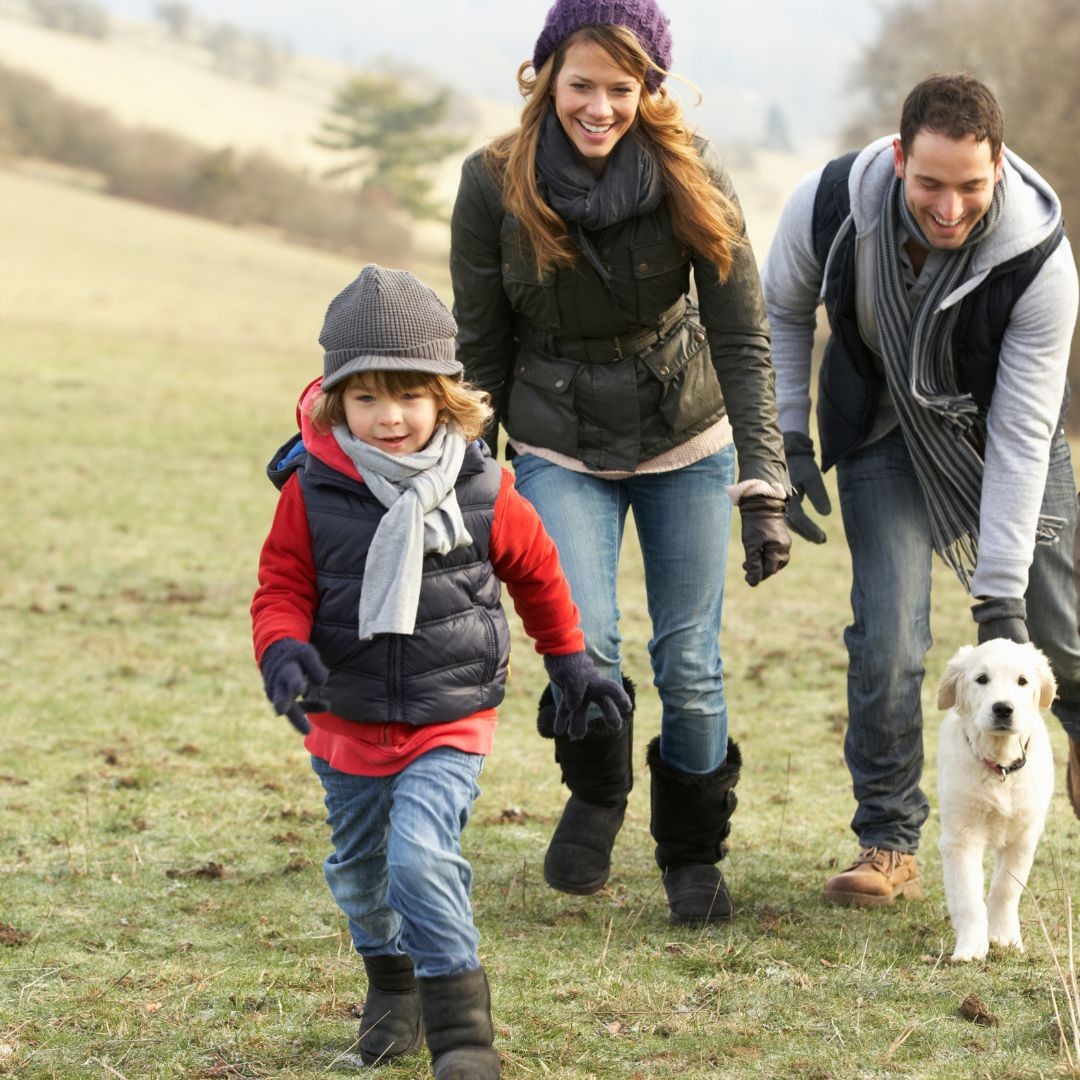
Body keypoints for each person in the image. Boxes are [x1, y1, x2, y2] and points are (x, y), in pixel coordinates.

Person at [449, 0, 792, 926]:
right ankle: (598, 795)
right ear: (546, 76)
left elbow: (742, 337)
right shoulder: (492, 182)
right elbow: (479, 354)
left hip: (684, 433)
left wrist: (763, 480)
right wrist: (470, 490)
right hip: (559, 437)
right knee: (584, 642)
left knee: (690, 661)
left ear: (650, 90)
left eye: (622, 88)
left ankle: (691, 852)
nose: (600, 107)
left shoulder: (692, 172)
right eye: (582, 85)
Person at [251, 264, 630, 1078]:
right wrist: (283, 650)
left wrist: (571, 661)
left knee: (421, 855)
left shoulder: (487, 488)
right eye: (367, 397)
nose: (390, 417)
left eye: (411, 395)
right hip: (342, 717)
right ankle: (393, 987)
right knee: (359, 878)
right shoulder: (310, 492)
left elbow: (537, 573)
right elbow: (280, 587)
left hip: (448, 717)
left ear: (446, 396)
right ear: (334, 401)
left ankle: (463, 1040)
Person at [761, 73, 1080, 906]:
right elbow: (783, 309)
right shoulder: (831, 205)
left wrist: (998, 599)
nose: (949, 207)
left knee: (1056, 634)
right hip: (881, 429)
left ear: (1000, 165)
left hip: (999, 435)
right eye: (931, 183)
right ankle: (889, 840)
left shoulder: (1039, 258)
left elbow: (1018, 437)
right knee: (890, 642)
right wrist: (788, 434)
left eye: (972, 186)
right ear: (899, 158)